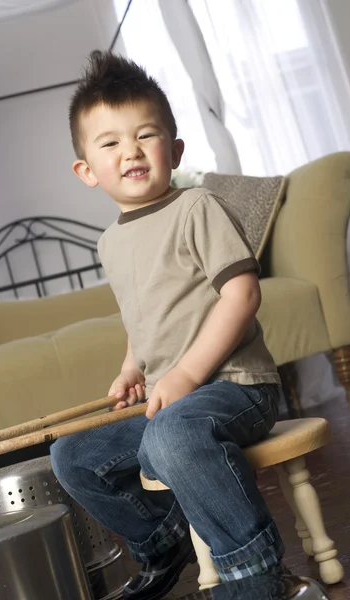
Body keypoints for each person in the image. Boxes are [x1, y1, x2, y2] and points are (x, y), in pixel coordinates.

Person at [51, 50, 288, 599]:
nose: (130, 150)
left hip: (235, 387)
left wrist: (185, 373)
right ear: (86, 169)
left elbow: (241, 293)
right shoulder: (110, 242)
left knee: (172, 435)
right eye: (109, 142)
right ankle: (163, 539)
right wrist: (132, 366)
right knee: (73, 456)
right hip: (169, 403)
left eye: (145, 135)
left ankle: (252, 571)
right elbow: (143, 313)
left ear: (174, 149)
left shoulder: (196, 208)